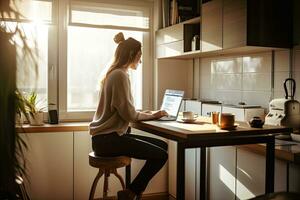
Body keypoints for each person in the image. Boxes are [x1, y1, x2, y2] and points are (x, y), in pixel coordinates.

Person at [89, 32, 168, 200]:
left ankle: (131, 191)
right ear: (132, 54)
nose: (140, 60)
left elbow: (125, 109)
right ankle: (131, 192)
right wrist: (154, 115)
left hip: (106, 139)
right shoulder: (120, 75)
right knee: (162, 155)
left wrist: (150, 113)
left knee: (162, 146)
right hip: (109, 141)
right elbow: (130, 115)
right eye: (140, 55)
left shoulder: (116, 73)